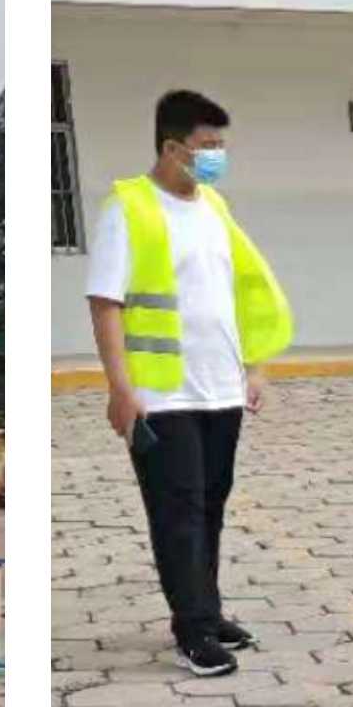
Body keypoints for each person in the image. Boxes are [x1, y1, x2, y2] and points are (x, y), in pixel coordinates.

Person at [85, 88, 283, 677]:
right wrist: (121, 389)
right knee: (179, 511)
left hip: (220, 387)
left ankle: (209, 611)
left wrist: (253, 367)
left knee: (210, 505)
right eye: (207, 145)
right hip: (161, 394)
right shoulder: (128, 208)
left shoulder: (214, 207)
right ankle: (191, 630)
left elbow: (242, 290)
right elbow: (106, 303)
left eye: (221, 144)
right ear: (172, 149)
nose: (217, 155)